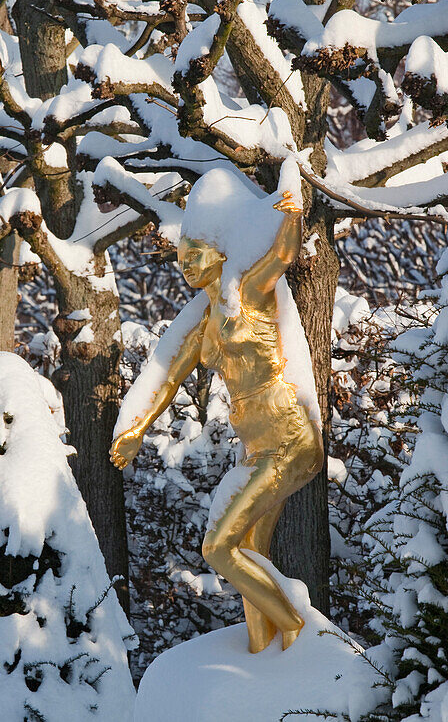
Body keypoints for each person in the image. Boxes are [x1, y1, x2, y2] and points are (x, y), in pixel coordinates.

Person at [110, 179, 323, 653]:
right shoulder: (202, 316)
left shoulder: (246, 290)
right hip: (258, 448)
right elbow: (165, 372)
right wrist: (136, 430)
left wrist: (290, 215)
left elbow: (281, 258)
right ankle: (262, 653)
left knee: (219, 548)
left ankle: (298, 633)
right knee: (248, 549)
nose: (185, 264)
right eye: (180, 257)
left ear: (221, 253)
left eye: (196, 253)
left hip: (289, 438)